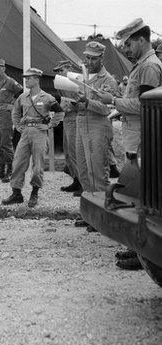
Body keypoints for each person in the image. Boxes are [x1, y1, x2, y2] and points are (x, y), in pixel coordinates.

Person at [97, 19, 162, 269]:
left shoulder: (150, 67)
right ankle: (138, 246)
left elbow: (145, 106)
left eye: (129, 43)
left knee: (143, 192)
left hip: (143, 134)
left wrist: (113, 100)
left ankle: (143, 251)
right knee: (137, 189)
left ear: (142, 40)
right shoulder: (141, 66)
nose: (126, 49)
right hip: (135, 131)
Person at [3, 68, 62, 207]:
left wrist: (49, 126)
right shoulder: (22, 97)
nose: (26, 80)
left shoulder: (47, 98)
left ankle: (34, 193)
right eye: (26, 78)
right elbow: (15, 112)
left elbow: (60, 113)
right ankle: (16, 193)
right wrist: (17, 126)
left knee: (38, 166)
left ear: (37, 79)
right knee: (17, 163)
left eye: (29, 78)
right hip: (25, 133)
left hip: (39, 133)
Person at [74, 41, 118, 199]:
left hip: (98, 127)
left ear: (101, 58)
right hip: (81, 125)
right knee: (83, 170)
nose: (89, 62)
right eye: (87, 58)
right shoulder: (83, 79)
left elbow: (107, 109)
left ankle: (101, 212)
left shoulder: (107, 80)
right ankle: (89, 209)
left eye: (93, 59)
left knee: (97, 172)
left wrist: (87, 102)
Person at [0, 59, 23, 182]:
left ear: (4, 68)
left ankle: (10, 171)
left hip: (6, 116)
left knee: (6, 144)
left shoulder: (10, 82)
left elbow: (22, 94)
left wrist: (13, 106)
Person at [53, 60, 82, 193]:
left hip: (75, 118)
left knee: (74, 151)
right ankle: (76, 180)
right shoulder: (61, 84)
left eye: (61, 70)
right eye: (57, 71)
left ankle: (82, 182)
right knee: (68, 152)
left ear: (69, 69)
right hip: (67, 118)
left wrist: (70, 106)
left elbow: (80, 101)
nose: (59, 73)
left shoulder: (76, 81)